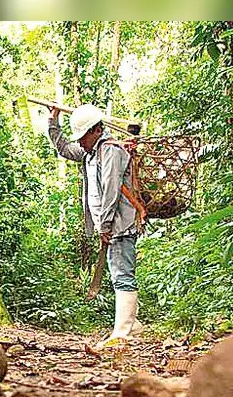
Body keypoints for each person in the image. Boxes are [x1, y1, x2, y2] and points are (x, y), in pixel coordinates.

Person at [48, 104, 144, 346]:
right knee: (117, 272)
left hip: (119, 224)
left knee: (122, 274)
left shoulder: (111, 151)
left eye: (83, 137)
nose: (80, 142)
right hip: (110, 225)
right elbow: (64, 149)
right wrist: (53, 122)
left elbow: (111, 189)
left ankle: (122, 333)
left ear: (96, 130)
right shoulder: (90, 152)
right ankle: (133, 325)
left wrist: (105, 225)